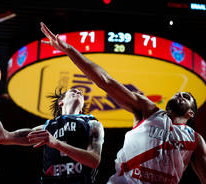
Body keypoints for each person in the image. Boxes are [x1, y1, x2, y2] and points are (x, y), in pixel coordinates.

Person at [40, 22, 206, 184]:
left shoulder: (195, 140)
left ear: (190, 113)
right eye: (179, 93)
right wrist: (69, 50)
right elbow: (105, 81)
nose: (180, 94)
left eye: (186, 96)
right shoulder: (148, 110)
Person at [0, 81, 104, 184]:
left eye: (81, 93)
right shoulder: (47, 127)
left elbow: (94, 161)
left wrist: (55, 143)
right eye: (74, 90)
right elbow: (3, 137)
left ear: (81, 110)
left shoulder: (92, 123)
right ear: (61, 102)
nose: (79, 92)